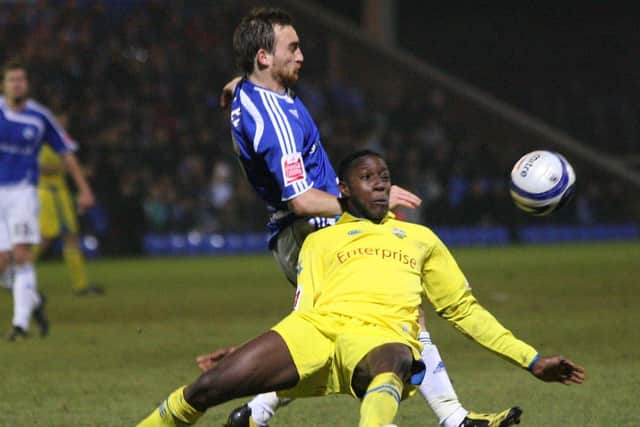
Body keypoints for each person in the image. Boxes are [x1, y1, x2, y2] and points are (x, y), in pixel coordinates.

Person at [220, 8, 518, 427]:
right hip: (310, 229)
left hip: (310, 229)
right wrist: (366, 203)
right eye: (293, 47)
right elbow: (303, 200)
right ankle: (450, 418)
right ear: (264, 57)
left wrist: (235, 84)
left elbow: (245, 93)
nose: (302, 55)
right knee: (386, 319)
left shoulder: (257, 92)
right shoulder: (274, 121)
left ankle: (256, 412)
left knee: (358, 329)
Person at [137, 150, 585, 427]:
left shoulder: (420, 239)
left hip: (379, 338)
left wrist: (531, 359)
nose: (381, 183)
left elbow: (465, 311)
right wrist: (243, 350)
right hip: (315, 332)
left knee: (395, 357)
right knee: (207, 388)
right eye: (368, 177)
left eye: (385, 176)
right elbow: (303, 311)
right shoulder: (320, 241)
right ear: (344, 189)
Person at [0, 59, 95, 340]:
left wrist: (84, 189)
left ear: (27, 84)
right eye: (12, 80)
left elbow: (67, 154)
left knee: (22, 255)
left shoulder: (40, 117)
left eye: (21, 79)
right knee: (3, 262)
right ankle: (35, 300)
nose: (17, 84)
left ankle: (19, 325)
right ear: (3, 85)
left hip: (24, 193)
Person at [35, 115, 104, 296]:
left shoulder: (61, 142)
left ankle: (80, 285)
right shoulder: (41, 142)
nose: (63, 124)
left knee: (71, 236)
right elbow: (39, 167)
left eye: (65, 121)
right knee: (45, 238)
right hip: (45, 193)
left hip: (62, 193)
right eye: (60, 121)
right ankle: (16, 272)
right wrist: (67, 168)